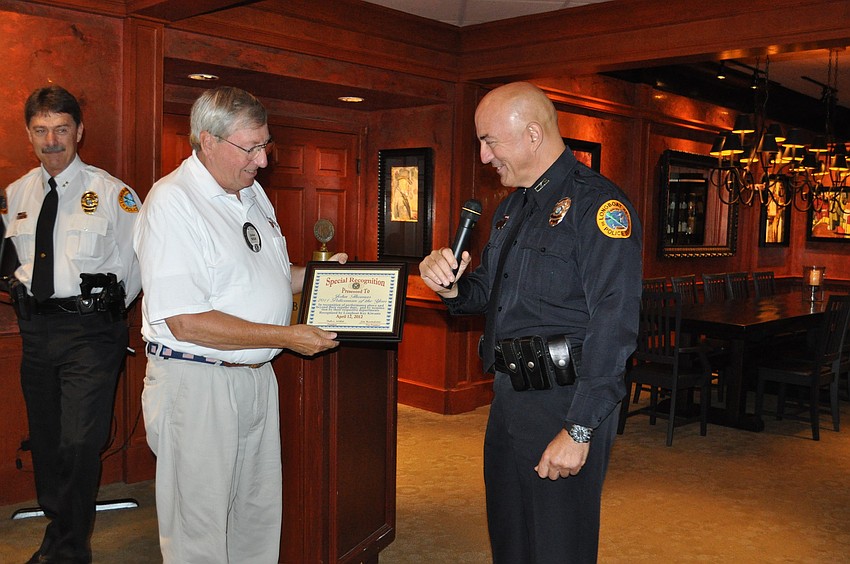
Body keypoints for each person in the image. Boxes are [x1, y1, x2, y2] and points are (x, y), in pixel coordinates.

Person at [419, 82, 642, 563]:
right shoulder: (511, 208)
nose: (483, 156)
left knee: (559, 544)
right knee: (511, 537)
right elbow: (491, 294)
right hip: (509, 396)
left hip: (565, 399)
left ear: (533, 134)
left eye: (489, 141)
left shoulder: (599, 207)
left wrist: (579, 428)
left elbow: (615, 322)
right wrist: (452, 286)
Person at [133, 86, 345, 564]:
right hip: (197, 383)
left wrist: (333, 279)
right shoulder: (173, 203)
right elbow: (186, 321)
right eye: (250, 148)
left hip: (254, 380)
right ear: (207, 141)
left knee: (256, 518)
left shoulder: (251, 194)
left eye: (264, 146)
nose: (262, 161)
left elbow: (271, 278)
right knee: (199, 529)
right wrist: (286, 337)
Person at [1, 85, 142, 564]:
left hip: (90, 333)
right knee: (45, 438)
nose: (51, 140)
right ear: (29, 135)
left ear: (79, 131)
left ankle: (66, 550)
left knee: (80, 439)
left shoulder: (112, 193)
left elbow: (138, 263)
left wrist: (105, 314)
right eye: (41, 130)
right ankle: (61, 526)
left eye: (61, 129)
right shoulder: (16, 194)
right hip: (35, 332)